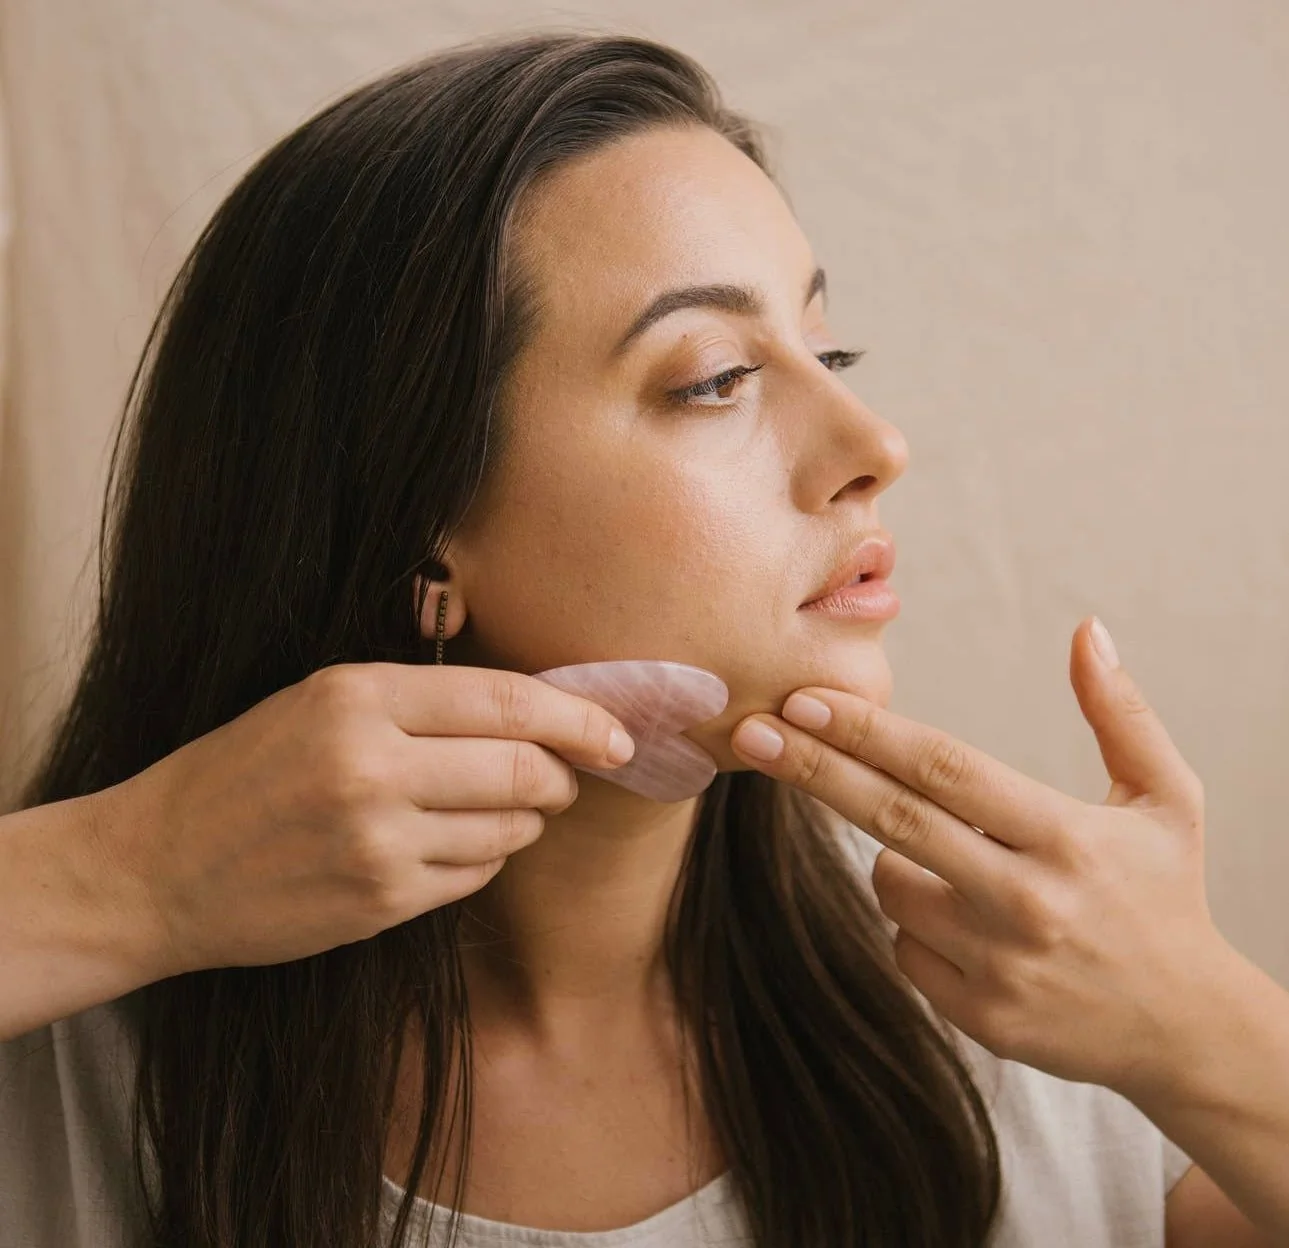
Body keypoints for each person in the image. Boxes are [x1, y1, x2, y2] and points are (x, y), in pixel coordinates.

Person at [2, 30, 1284, 1248]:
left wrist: (1204, 1029)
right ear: (418, 523)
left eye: (827, 343)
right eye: (715, 378)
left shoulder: (1015, 1008)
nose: (874, 446)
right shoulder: (65, 1054)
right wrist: (130, 881)